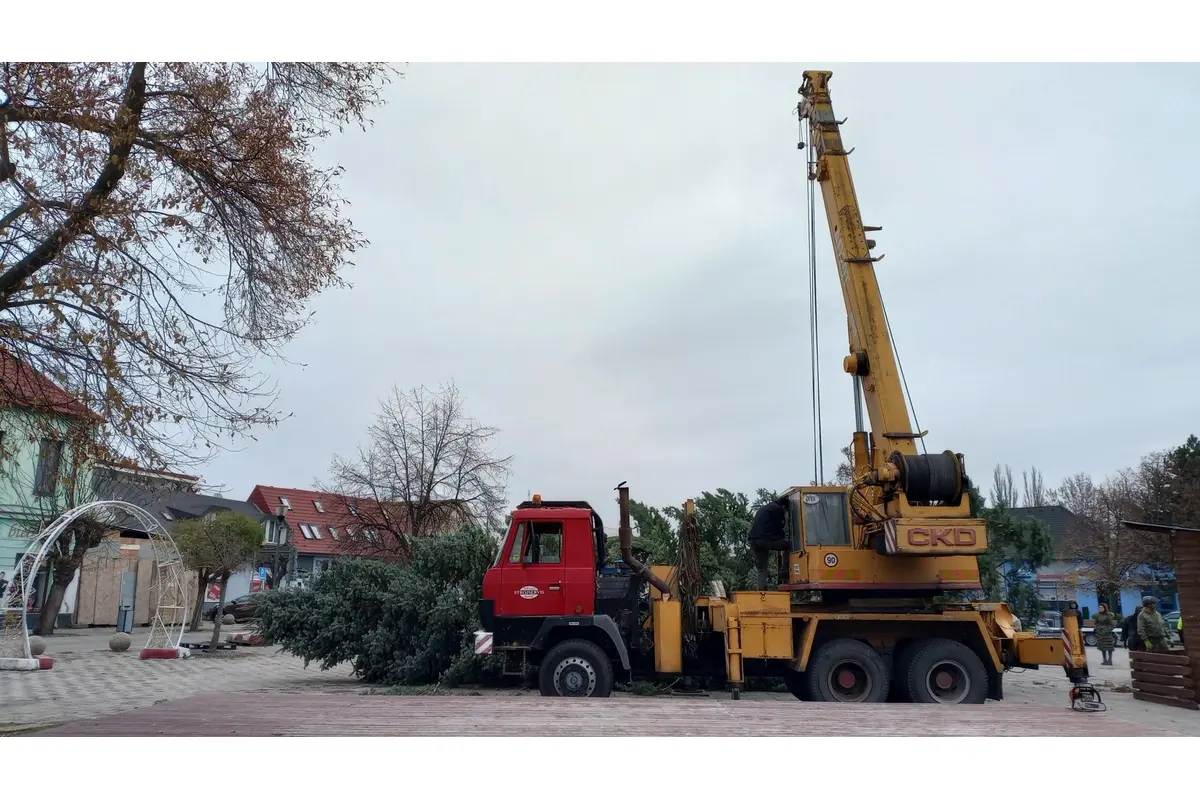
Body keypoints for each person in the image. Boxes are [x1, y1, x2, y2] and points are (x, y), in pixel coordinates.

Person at [748, 497, 790, 590]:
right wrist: (784, 537)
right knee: (790, 546)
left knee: (762, 567)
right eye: (786, 510)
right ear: (784, 506)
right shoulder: (778, 509)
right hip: (765, 539)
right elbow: (779, 527)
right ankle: (784, 571)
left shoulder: (765, 508)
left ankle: (762, 589)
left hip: (754, 540)